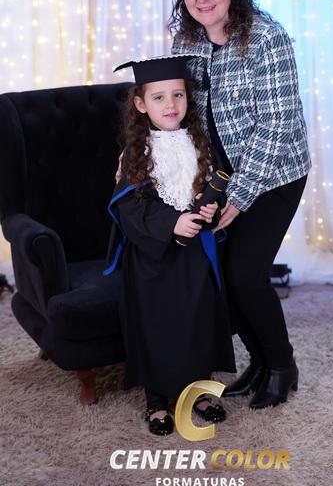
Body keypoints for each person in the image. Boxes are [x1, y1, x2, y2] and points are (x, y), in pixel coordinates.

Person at [169, 0, 312, 409]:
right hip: (220, 175)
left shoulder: (267, 37)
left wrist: (242, 194)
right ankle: (259, 361)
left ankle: (282, 366)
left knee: (245, 274)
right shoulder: (186, 42)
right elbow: (182, 112)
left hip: (275, 172)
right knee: (220, 277)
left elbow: (278, 124)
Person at [106, 54, 235, 436]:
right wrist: (171, 223)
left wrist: (209, 209)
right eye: (159, 97)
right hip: (154, 258)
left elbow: (208, 191)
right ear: (140, 104)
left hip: (196, 253)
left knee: (198, 320)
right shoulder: (138, 152)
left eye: (178, 95)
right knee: (158, 325)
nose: (171, 104)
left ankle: (199, 392)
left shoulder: (200, 143)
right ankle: (157, 400)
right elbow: (128, 205)